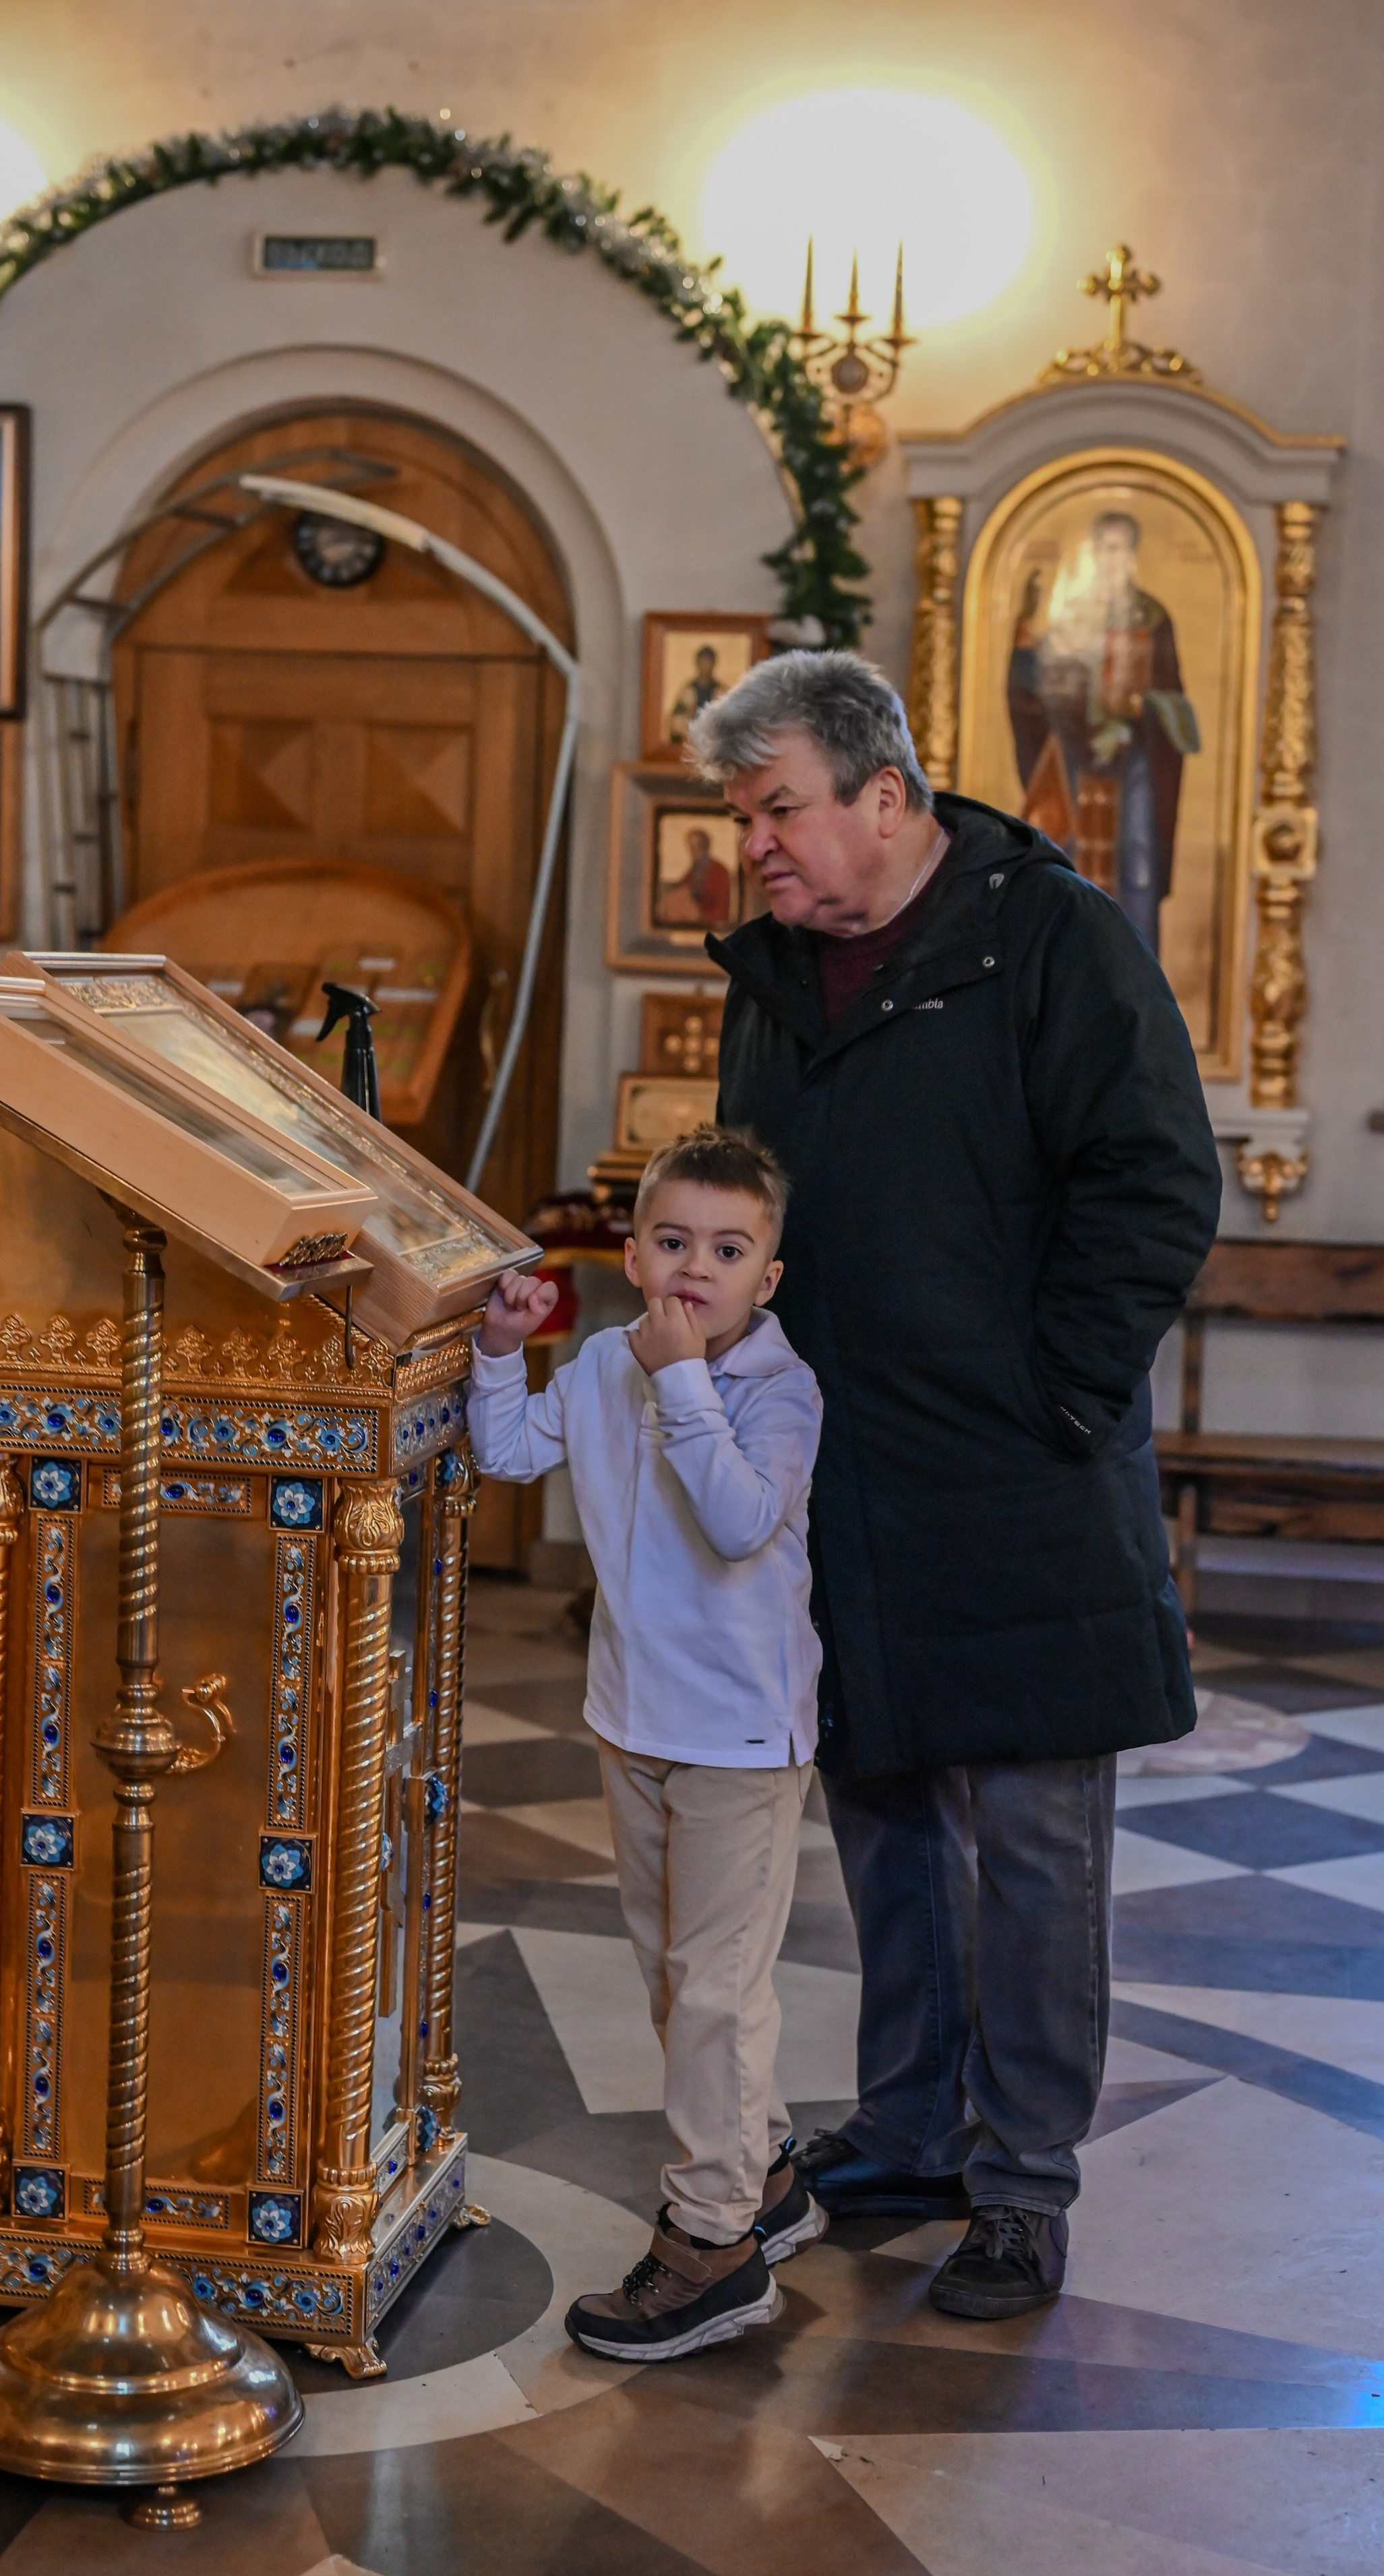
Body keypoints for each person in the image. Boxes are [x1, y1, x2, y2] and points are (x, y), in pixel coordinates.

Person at [689, 650, 1222, 2321]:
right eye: (741, 816)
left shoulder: (1051, 938)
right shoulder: (771, 972)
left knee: (1032, 1842)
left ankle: (1020, 2179)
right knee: (885, 1812)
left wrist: (1054, 1393)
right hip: (837, 1468)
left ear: (885, 795)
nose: (753, 847)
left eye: (775, 810)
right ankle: (910, 2123)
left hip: (1016, 1472)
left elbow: (1150, 1181)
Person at [468, 1124, 828, 2359]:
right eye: (673, 1242)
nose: (695, 1268)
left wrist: (683, 1385)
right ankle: (767, 2174)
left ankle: (717, 2242)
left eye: (727, 1251)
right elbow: (508, 1451)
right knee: (679, 1984)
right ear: (631, 1254)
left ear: (765, 1279)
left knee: (721, 1991)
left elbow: (736, 1524)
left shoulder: (781, 1391)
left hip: (741, 1732)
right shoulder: (607, 1365)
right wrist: (502, 1353)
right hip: (636, 1721)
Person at [1007, 510, 1199, 956]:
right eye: (1105, 549)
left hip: (1135, 764)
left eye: (1122, 549)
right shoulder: (1069, 618)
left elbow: (1174, 700)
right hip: (1074, 758)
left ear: (1133, 557)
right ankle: (1067, 982)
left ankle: (1136, 981)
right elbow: (1034, 690)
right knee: (1066, 861)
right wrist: (1022, 644)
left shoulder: (1153, 618)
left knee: (1137, 867)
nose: (1114, 560)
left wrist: (1135, 716)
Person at [654, 822, 734, 928]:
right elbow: (683, 886)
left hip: (710, 915)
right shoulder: (694, 869)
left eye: (697, 847)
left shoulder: (720, 870)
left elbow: (718, 900)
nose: (693, 852)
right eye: (691, 848)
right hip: (694, 911)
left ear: (706, 847)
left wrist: (694, 893)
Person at [668, 642, 725, 743]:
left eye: (708, 662)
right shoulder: (688, 691)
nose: (705, 666)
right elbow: (676, 724)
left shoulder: (720, 691)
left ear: (713, 664)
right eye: (703, 662)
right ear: (697, 663)